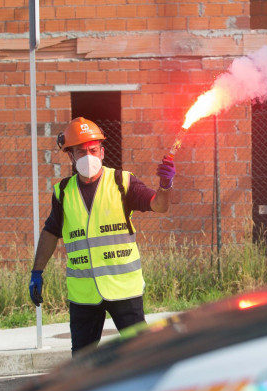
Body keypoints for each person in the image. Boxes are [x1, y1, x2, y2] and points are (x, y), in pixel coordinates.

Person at [28, 117, 176, 356]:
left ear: (102, 151)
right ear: (71, 156)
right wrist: (37, 272)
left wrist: (166, 185)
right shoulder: (63, 192)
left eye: (93, 150)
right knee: (83, 364)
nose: (88, 156)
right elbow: (51, 231)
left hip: (123, 290)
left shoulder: (122, 182)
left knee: (142, 356)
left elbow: (159, 206)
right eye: (81, 151)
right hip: (84, 295)